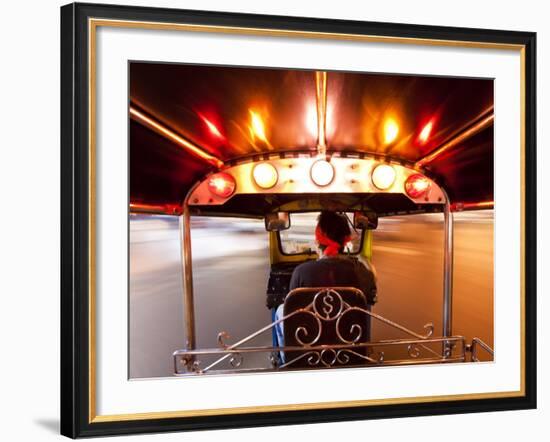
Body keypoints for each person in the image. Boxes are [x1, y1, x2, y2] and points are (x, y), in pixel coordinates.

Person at [274, 211, 377, 362]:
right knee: (364, 305)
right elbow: (371, 294)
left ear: (317, 242)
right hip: (348, 345)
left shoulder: (301, 272)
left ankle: (287, 359)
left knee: (281, 309)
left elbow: (293, 312)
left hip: (309, 345)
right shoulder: (360, 271)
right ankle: (363, 351)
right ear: (345, 241)